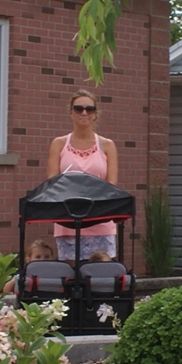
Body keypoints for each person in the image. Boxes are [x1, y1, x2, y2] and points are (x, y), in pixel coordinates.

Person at [44, 90, 120, 260]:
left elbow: (111, 185)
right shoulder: (59, 144)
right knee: (72, 276)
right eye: (78, 109)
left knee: (100, 276)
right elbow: (52, 183)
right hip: (68, 221)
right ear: (71, 113)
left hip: (100, 219)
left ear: (95, 114)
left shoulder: (107, 145)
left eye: (89, 109)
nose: (84, 113)